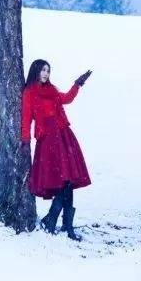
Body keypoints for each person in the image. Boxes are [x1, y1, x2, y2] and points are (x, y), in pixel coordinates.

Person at [21, 59, 92, 241]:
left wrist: (78, 84)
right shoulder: (29, 93)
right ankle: (55, 222)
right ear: (35, 71)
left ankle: (64, 225)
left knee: (68, 181)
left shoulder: (52, 91)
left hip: (63, 137)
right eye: (43, 70)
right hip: (48, 142)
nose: (45, 74)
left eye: (48, 71)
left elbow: (67, 98)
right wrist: (25, 140)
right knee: (62, 182)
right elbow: (27, 118)